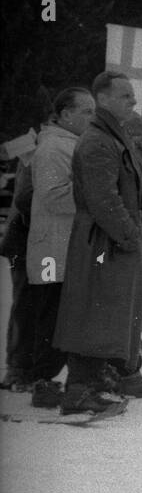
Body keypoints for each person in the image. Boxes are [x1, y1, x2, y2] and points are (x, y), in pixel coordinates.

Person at [53, 72, 142, 414]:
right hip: (103, 243)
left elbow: (133, 191)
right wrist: (131, 235)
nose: (133, 102)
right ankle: (79, 390)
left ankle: (116, 374)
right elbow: (103, 199)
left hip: (118, 240)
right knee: (95, 312)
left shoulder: (115, 138)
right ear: (103, 99)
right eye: (125, 96)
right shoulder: (98, 141)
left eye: (133, 96)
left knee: (119, 311)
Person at [23, 87, 96, 407]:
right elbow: (54, 195)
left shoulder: (70, 143)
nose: (92, 118)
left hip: (68, 246)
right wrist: (93, 196)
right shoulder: (53, 147)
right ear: (65, 115)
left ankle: (53, 377)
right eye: (87, 112)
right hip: (54, 248)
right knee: (53, 315)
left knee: (63, 315)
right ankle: (43, 381)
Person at [0, 135, 38, 392]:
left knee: (30, 304)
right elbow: (25, 197)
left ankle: (23, 368)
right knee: (25, 304)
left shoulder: (38, 147)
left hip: (31, 239)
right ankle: (17, 370)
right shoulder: (37, 149)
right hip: (25, 239)